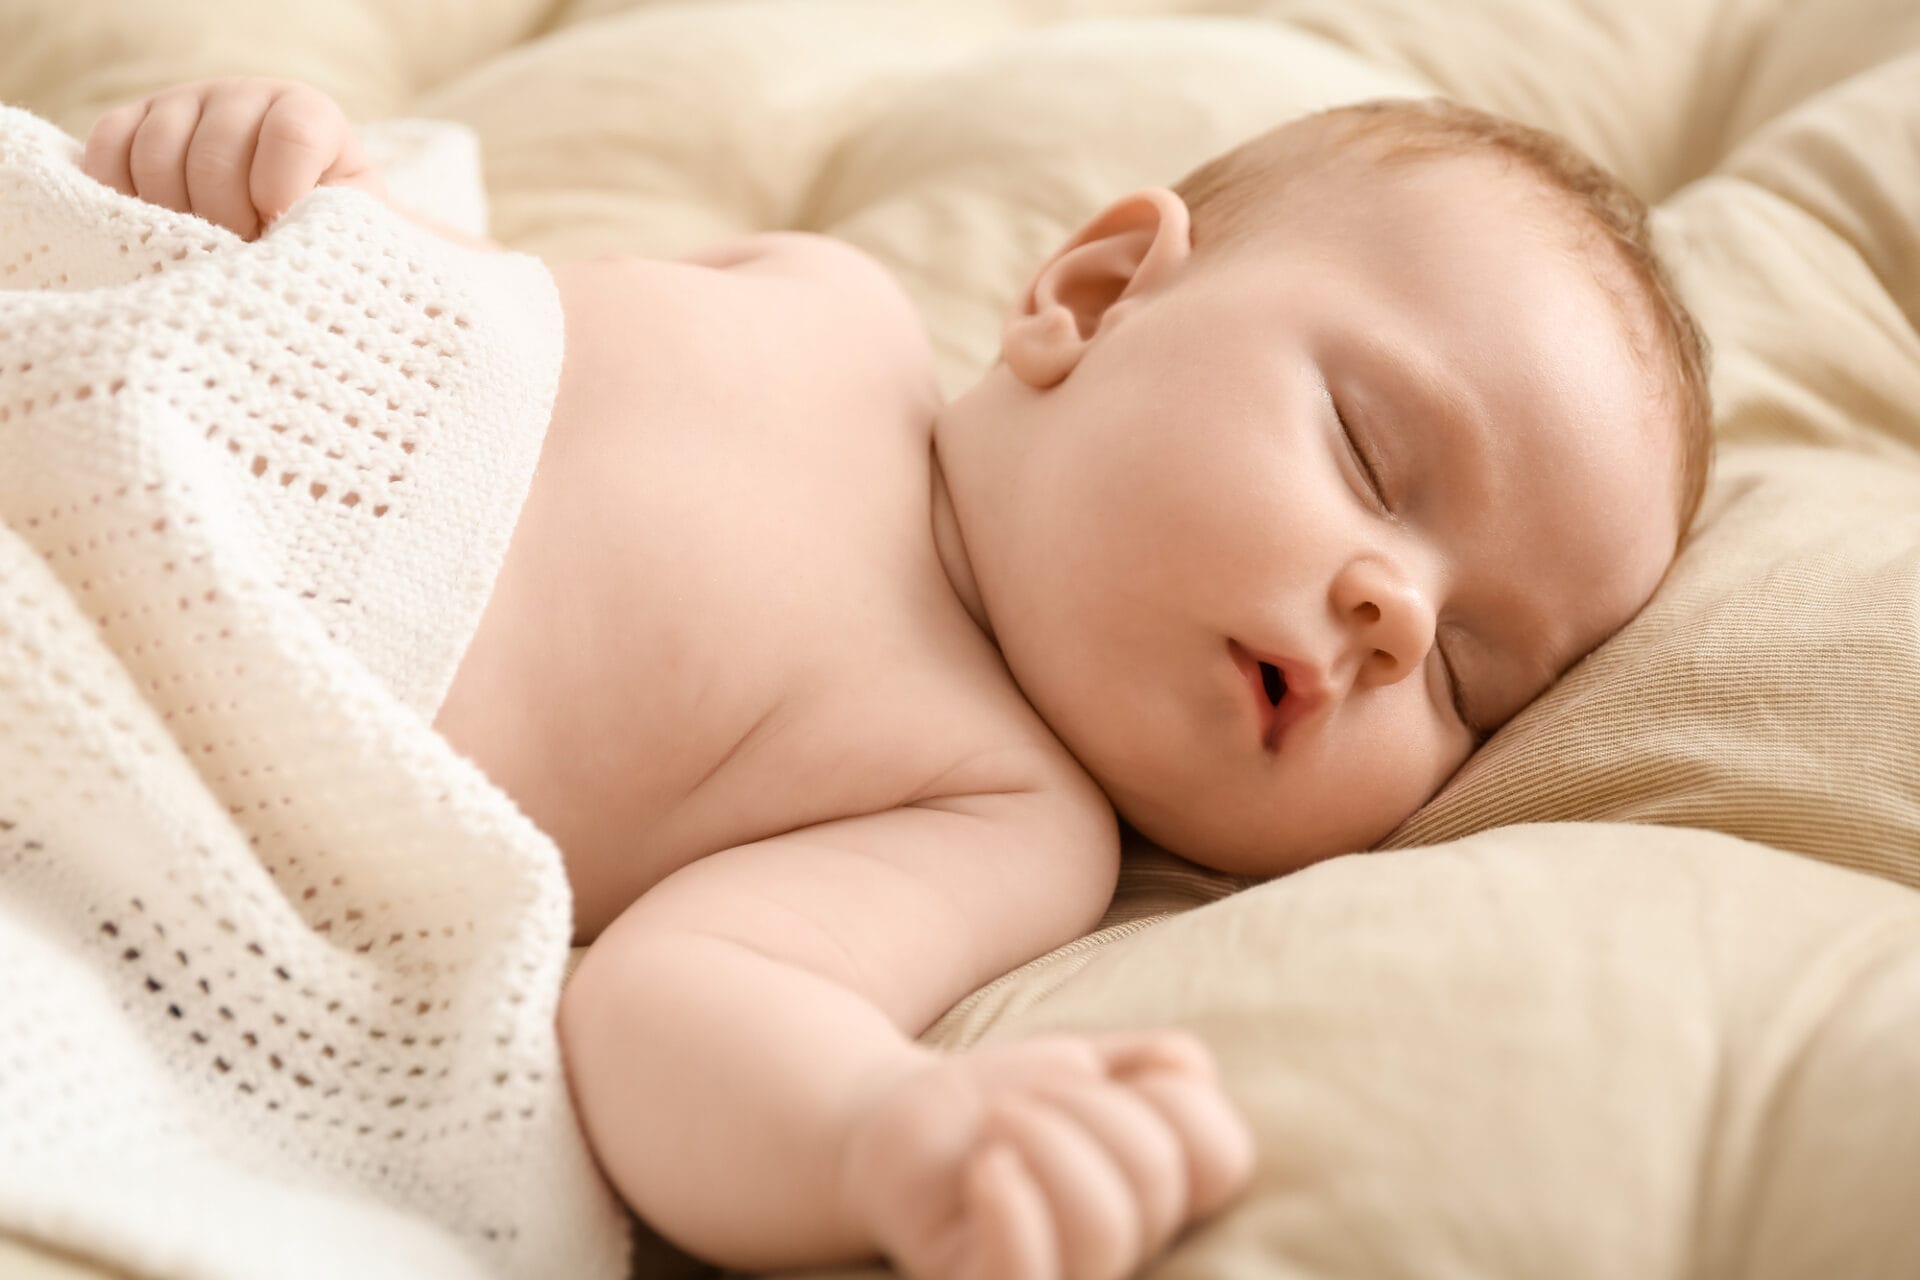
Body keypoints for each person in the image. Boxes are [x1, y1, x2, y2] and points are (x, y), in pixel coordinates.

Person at [81, 76, 1710, 1280]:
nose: (1396, 620)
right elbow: (443, 280)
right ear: (1095, 297)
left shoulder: (1000, 811)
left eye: (1470, 679)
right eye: (1369, 455)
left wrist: (882, 1141)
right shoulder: (826, 302)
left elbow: (677, 1010)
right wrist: (273, 167)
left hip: (138, 705)